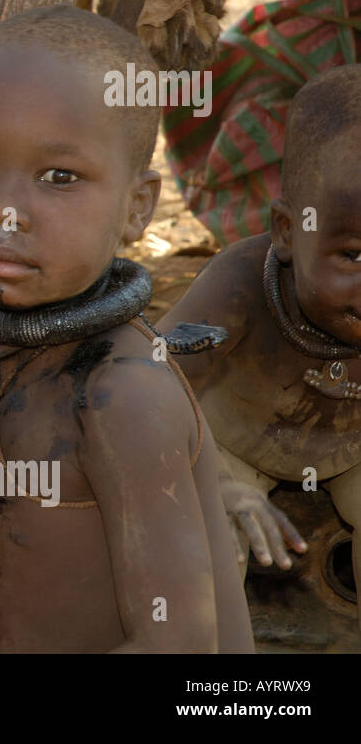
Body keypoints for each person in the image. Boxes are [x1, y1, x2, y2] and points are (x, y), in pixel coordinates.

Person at [0, 4, 253, 652]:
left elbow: (181, 644)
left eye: (59, 177)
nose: (2, 210)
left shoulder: (122, 396)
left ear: (137, 209)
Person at [159, 65, 361, 604]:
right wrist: (211, 481)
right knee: (210, 538)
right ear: (288, 232)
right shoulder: (238, 289)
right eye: (354, 255)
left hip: (349, 453)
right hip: (228, 444)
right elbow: (148, 382)